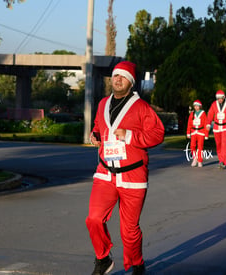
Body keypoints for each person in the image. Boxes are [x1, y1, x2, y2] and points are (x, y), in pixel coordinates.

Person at [86, 60, 165, 275]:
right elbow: (98, 127)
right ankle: (103, 259)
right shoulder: (102, 104)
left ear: (131, 82)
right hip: (105, 173)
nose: (118, 79)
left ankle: (137, 264)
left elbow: (158, 133)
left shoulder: (141, 107)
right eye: (115, 75)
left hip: (133, 175)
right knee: (93, 218)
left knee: (129, 230)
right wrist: (95, 136)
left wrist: (130, 136)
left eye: (123, 76)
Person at [205, 90, 226, 169]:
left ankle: (223, 162)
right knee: (218, 145)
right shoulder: (214, 104)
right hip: (216, 127)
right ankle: (220, 160)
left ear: (224, 97)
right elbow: (210, 114)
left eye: (221, 98)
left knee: (224, 144)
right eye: (218, 98)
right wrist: (208, 124)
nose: (219, 100)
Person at [186, 100, 209, 167]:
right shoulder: (192, 113)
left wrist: (206, 134)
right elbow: (189, 124)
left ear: (200, 106)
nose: (196, 107)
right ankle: (195, 158)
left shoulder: (203, 113)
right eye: (195, 106)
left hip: (201, 132)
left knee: (200, 147)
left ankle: (200, 161)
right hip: (193, 132)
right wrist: (188, 133)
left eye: (197, 106)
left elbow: (206, 124)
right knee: (192, 146)